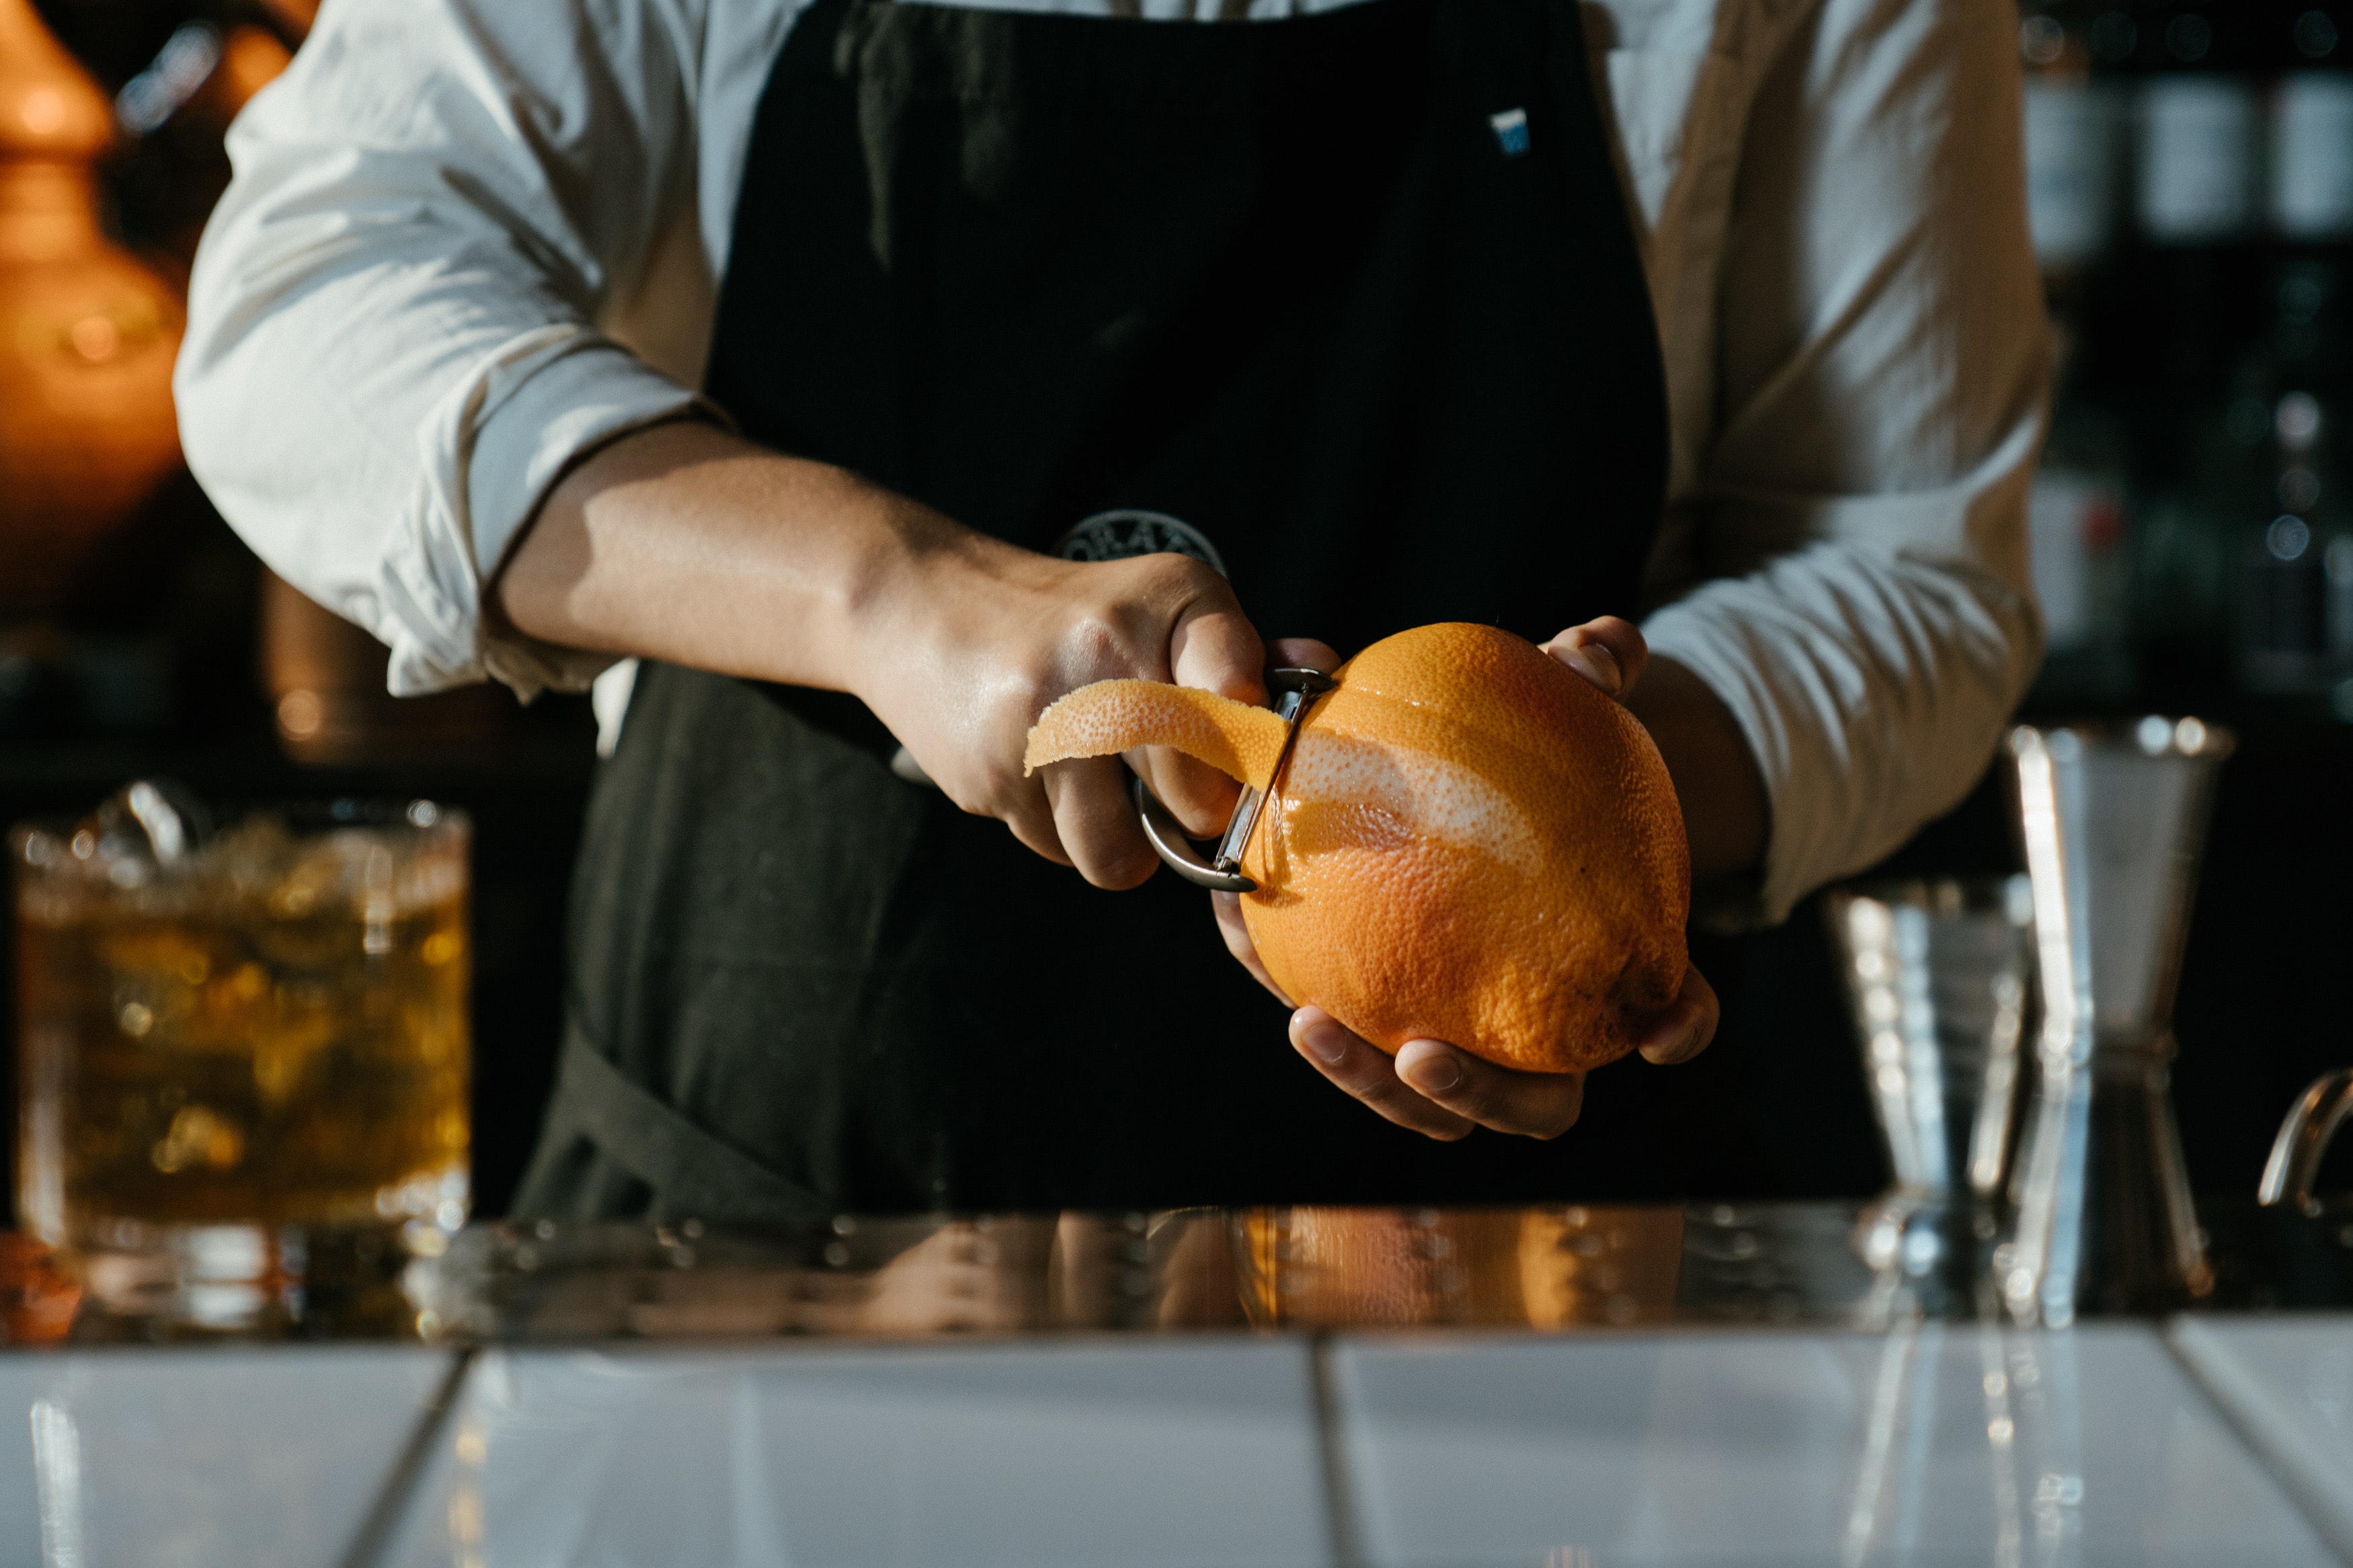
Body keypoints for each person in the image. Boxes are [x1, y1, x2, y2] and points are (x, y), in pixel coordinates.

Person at [177, 0, 2046, 1217]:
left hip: (1510, 1283)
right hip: (747, 1237)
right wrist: (890, 593)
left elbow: (1905, 554)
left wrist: (1594, 789)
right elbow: (308, 310)